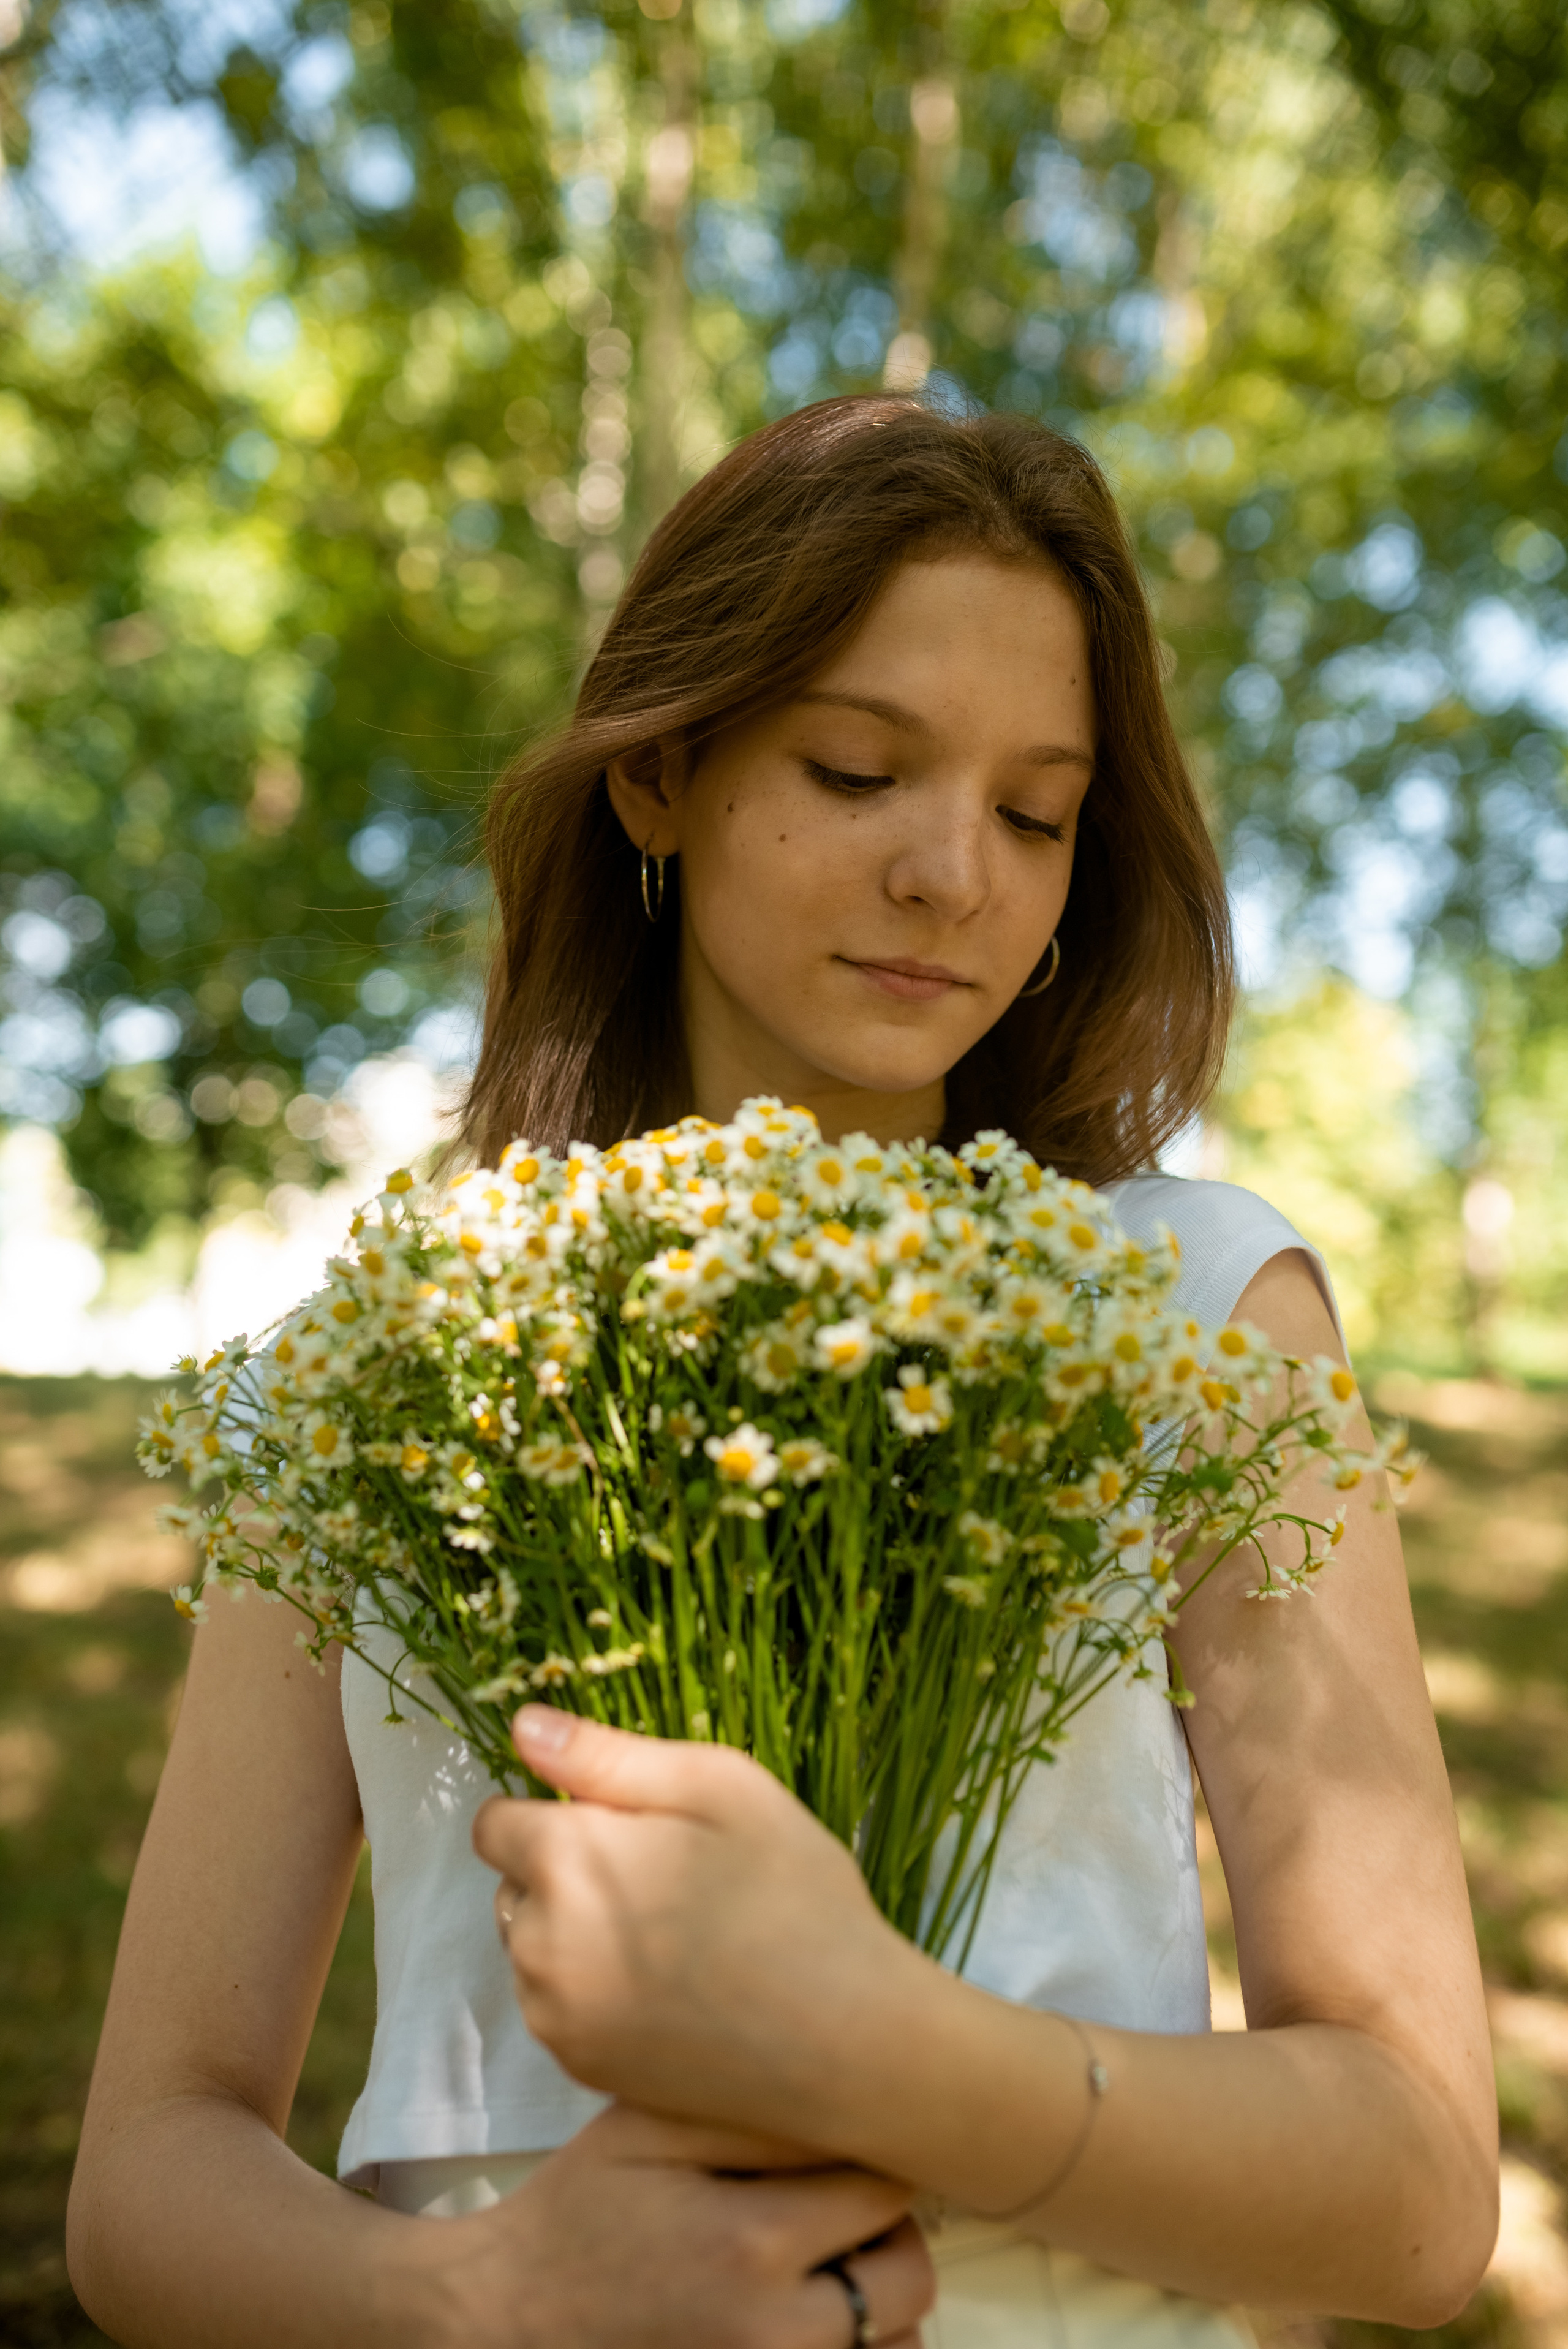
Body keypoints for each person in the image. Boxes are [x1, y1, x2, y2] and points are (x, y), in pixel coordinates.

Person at [68, 396, 1497, 2349]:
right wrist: (485, 2296)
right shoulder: (393, 1356)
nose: (953, 876)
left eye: (1034, 812)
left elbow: (1422, 2198)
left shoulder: (1197, 1309)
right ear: (658, 768)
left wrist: (889, 2051)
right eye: (857, 768)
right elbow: (149, 2166)